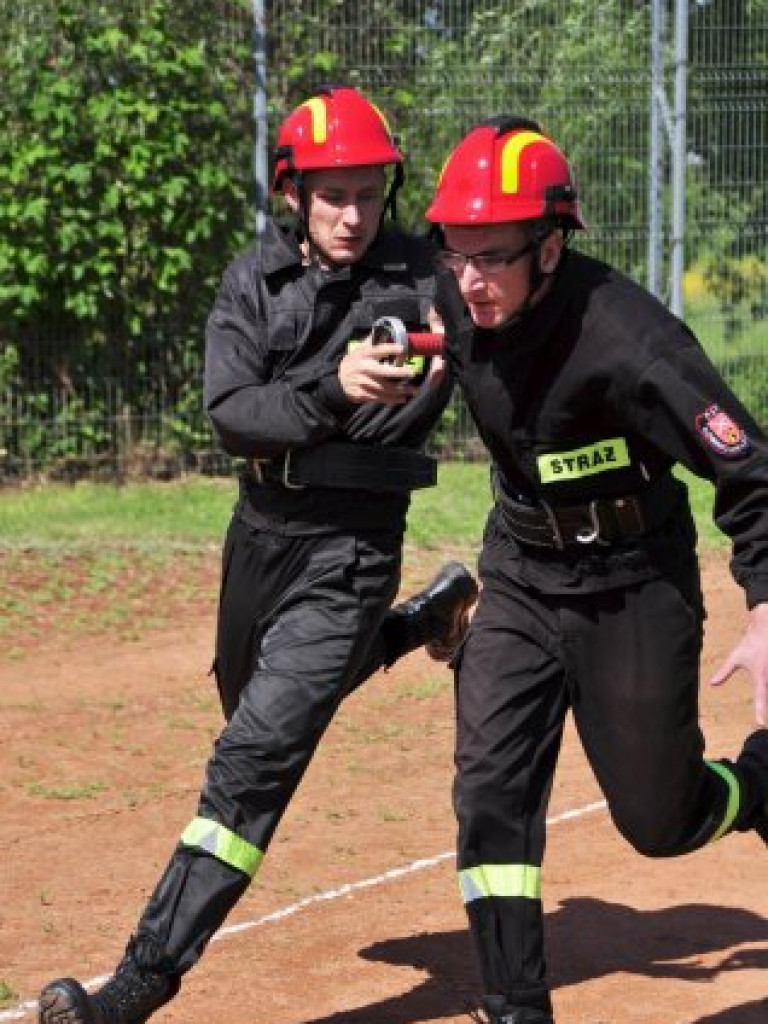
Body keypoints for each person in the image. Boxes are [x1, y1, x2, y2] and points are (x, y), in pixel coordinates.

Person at [38, 85, 478, 1024]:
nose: (354, 214)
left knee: (252, 758)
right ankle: (427, 622)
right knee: (256, 702)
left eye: (368, 193)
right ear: (295, 194)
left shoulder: (427, 273)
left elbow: (502, 336)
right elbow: (233, 412)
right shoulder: (252, 282)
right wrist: (333, 386)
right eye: (333, 195)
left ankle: (136, 985)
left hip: (356, 543)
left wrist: (459, 359)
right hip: (262, 538)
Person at [424, 117, 768, 1024]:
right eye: (454, 254)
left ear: (548, 247)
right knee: (489, 791)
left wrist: (767, 610)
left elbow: (751, 471)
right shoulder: (457, 298)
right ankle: (515, 1007)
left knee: (660, 822)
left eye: (492, 259)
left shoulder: (630, 340)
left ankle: (763, 780)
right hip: (523, 578)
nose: (468, 280)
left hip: (634, 587)